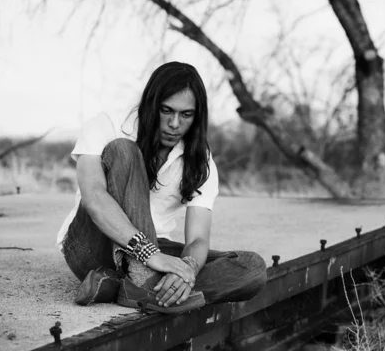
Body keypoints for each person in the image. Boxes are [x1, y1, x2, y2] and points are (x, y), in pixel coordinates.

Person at [56, 61, 267, 314]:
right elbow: (94, 199)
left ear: (197, 116)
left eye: (186, 115)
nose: (175, 123)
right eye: (166, 110)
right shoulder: (108, 124)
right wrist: (149, 256)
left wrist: (186, 269)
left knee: (251, 267)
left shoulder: (200, 159)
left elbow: (198, 239)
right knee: (123, 150)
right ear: (151, 104)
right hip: (92, 245)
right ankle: (145, 285)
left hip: (159, 248)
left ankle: (128, 287)